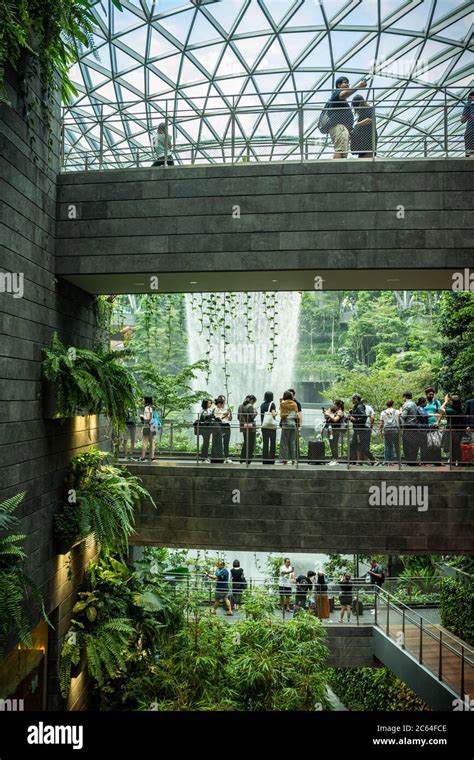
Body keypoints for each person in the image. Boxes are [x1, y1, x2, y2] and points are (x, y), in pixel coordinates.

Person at [326, 75, 368, 159]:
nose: (348, 85)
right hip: (339, 127)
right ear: (338, 85)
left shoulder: (340, 99)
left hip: (342, 128)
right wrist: (358, 86)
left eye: (348, 83)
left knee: (343, 151)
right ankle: (335, 169)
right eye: (345, 83)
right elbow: (344, 94)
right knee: (340, 150)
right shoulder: (336, 92)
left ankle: (340, 169)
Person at [440, 394, 467, 466]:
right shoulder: (460, 411)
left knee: (453, 447)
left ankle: (454, 461)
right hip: (459, 431)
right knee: (456, 446)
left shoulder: (451, 410)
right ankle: (456, 461)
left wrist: (445, 401)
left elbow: (440, 409)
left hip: (452, 431)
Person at [279, 391, 299, 464]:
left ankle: (285, 460)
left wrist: (280, 403)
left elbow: (282, 415)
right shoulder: (294, 404)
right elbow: (296, 414)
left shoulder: (283, 404)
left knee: (284, 443)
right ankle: (293, 459)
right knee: (292, 442)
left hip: (286, 424)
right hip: (293, 424)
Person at [323, 399, 345, 465]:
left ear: (338, 405)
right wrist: (326, 414)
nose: (333, 405)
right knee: (331, 444)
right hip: (331, 429)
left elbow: (335, 420)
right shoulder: (335, 411)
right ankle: (333, 459)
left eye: (335, 404)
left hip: (336, 429)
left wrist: (328, 414)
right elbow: (329, 418)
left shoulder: (340, 411)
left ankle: (336, 460)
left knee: (334, 444)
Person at [400, 392, 419, 465]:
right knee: (414, 445)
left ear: (405, 397)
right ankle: (413, 460)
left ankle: (409, 461)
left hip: (408, 427)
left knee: (407, 445)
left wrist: (402, 426)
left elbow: (403, 416)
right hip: (414, 426)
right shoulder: (414, 404)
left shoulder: (407, 405)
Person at [212, 395, 233, 463]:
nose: (217, 406)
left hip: (226, 425)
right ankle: (218, 457)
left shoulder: (227, 409)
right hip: (219, 426)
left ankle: (227, 457)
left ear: (222, 403)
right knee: (218, 442)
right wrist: (225, 415)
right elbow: (218, 419)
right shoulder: (215, 409)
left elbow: (230, 419)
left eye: (218, 404)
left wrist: (230, 414)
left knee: (226, 442)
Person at [238, 394, 257, 464]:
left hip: (243, 426)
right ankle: (248, 459)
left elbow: (238, 417)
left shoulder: (240, 406)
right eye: (254, 402)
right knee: (251, 443)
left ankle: (242, 458)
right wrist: (256, 413)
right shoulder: (250, 406)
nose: (254, 403)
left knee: (246, 442)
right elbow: (252, 417)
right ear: (251, 400)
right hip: (250, 427)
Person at [379, 400, 400, 465]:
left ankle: (387, 461)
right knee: (396, 446)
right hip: (395, 430)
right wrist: (400, 430)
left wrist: (380, 431)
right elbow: (398, 421)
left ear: (386, 405)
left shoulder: (383, 412)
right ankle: (397, 461)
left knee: (387, 446)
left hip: (386, 430)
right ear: (393, 404)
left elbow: (381, 423)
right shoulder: (397, 411)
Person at [348, 393, 367, 464]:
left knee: (355, 445)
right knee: (356, 445)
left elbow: (364, 417)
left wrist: (355, 420)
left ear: (356, 399)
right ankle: (354, 461)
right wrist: (352, 413)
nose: (352, 400)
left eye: (353, 398)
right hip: (357, 429)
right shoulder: (357, 407)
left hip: (359, 430)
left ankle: (372, 460)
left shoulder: (359, 407)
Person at [260, 391, 277, 464]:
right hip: (271, 426)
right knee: (272, 443)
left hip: (264, 426)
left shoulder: (262, 405)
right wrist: (277, 412)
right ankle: (271, 460)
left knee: (265, 443)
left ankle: (265, 460)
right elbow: (273, 414)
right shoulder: (272, 404)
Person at [198, 398, 215, 463]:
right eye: (209, 403)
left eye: (210, 403)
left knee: (206, 443)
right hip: (204, 429)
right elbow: (204, 419)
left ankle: (205, 457)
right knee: (206, 443)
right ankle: (203, 458)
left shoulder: (207, 410)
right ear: (205, 404)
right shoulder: (202, 411)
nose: (210, 404)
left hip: (207, 428)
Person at [140, 396, 155, 461]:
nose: (143, 400)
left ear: (146, 400)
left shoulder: (146, 408)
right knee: (152, 442)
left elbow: (148, 418)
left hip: (147, 426)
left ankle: (143, 457)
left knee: (145, 442)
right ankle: (152, 457)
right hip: (152, 426)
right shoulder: (151, 407)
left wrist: (142, 416)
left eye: (143, 399)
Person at [361, 397, 376, 464]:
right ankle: (370, 460)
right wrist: (371, 426)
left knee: (361, 445)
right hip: (367, 428)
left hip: (361, 428)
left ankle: (369, 460)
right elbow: (372, 418)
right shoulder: (369, 408)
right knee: (366, 444)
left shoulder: (360, 407)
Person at [415, 397, 430, 465]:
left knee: (423, 445)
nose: (426, 403)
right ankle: (423, 462)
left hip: (422, 429)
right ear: (422, 403)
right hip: (421, 429)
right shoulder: (419, 408)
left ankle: (423, 461)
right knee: (423, 446)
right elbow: (424, 416)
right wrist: (434, 415)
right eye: (425, 402)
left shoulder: (420, 408)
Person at [460, 90, 474, 158]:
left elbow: (463, 120)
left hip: (471, 132)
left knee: (470, 154)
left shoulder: (469, 105)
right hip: (471, 132)